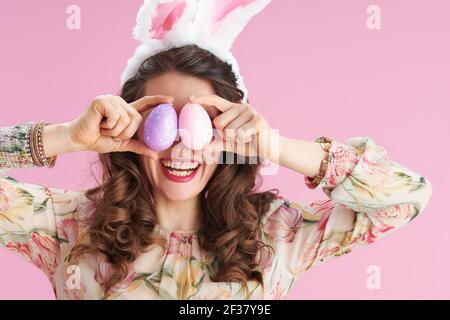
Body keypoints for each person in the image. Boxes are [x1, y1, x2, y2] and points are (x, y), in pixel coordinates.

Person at [0, 1, 432, 300]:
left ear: (227, 133)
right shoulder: (68, 228)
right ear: (131, 130)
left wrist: (274, 146)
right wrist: (67, 137)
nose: (181, 147)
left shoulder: (275, 236)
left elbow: (405, 198)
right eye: (161, 125)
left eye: (200, 124)